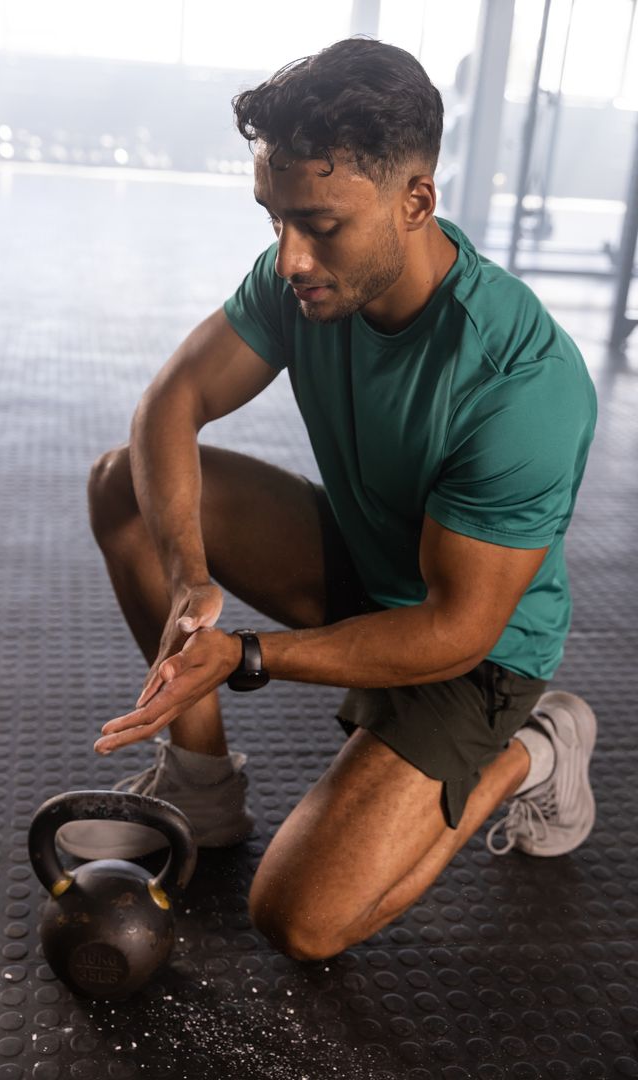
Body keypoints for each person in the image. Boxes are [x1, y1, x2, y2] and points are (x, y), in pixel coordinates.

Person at [58, 38, 598, 962]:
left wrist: (248, 656)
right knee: (124, 486)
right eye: (274, 219)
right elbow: (170, 405)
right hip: (369, 562)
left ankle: (534, 751)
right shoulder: (301, 277)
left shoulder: (522, 383)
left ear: (416, 201)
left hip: (474, 650)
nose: (291, 256)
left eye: (319, 224)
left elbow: (457, 630)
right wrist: (189, 581)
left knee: (302, 920)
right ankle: (200, 785)